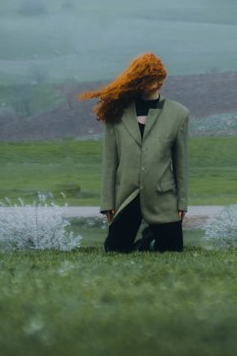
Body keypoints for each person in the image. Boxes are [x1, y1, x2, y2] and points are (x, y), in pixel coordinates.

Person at [80, 52, 189, 253]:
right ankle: (143, 240)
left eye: (158, 78)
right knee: (115, 250)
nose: (156, 84)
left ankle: (149, 240)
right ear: (137, 80)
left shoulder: (179, 114)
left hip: (163, 195)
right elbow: (110, 161)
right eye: (149, 79)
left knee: (173, 250)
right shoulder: (116, 112)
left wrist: (182, 202)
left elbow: (180, 162)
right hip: (126, 195)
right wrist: (107, 202)